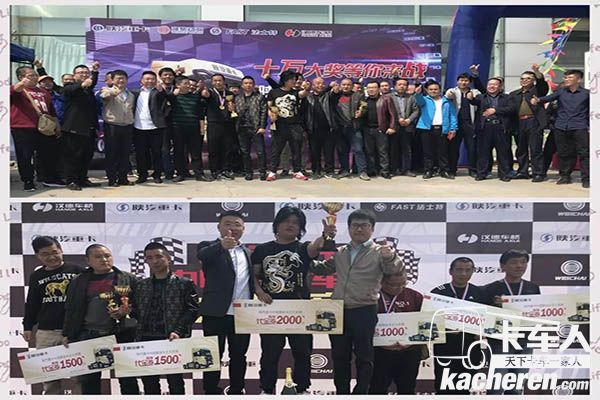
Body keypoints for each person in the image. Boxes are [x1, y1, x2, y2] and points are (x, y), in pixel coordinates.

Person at [310, 209, 404, 394]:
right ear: (349, 228)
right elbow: (321, 269)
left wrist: (390, 257)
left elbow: (394, 270)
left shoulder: (380, 252)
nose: (359, 229)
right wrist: (306, 255)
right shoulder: (341, 251)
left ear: (372, 229)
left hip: (365, 310)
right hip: (338, 311)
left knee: (364, 357)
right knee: (339, 357)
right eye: (355, 225)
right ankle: (342, 393)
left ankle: (361, 393)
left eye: (364, 225)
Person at [252, 206, 336, 394]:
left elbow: (315, 247)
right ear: (277, 224)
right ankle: (267, 390)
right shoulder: (262, 249)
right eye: (286, 221)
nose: (290, 225)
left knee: (303, 352)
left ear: (300, 228)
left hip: (300, 309)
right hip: (271, 309)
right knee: (270, 353)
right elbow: (255, 275)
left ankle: (302, 389)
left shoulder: (302, 248)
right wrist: (259, 291)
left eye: (295, 223)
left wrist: (325, 235)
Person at [62, 244, 139, 395]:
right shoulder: (78, 281)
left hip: (121, 335)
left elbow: (141, 305)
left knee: (128, 379)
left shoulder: (128, 278)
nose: (104, 259)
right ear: (88, 260)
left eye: (107, 256)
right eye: (98, 257)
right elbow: (71, 309)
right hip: (89, 335)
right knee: (89, 381)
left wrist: (127, 310)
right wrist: (68, 334)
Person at [197, 210, 254, 394]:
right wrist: (222, 245)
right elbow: (202, 256)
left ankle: (237, 390)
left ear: (243, 229)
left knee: (239, 355)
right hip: (215, 312)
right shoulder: (208, 246)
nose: (233, 228)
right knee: (212, 355)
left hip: (242, 314)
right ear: (219, 227)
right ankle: (210, 391)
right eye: (228, 224)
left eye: (237, 225)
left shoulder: (248, 253)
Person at [133, 242, 199, 395]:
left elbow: (192, 310)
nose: (154, 261)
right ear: (146, 261)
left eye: (158, 256)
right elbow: (135, 311)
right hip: (146, 339)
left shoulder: (184, 283)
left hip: (171, 339)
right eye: (150, 258)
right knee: (149, 384)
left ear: (168, 258)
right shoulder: (141, 285)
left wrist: (178, 331)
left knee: (175, 382)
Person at [23, 236, 84, 394]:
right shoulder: (36, 276)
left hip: (74, 332)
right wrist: (27, 326)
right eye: (45, 254)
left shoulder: (77, 270)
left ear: (61, 251)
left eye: (54, 252)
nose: (51, 257)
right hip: (46, 333)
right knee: (49, 379)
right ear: (38, 256)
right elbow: (32, 303)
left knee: (79, 378)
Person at [482, 250, 541, 395]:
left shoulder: (533, 287)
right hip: (500, 341)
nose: (519, 266)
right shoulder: (490, 288)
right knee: (497, 384)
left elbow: (537, 311)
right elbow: (483, 316)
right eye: (514, 262)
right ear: (503, 266)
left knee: (517, 384)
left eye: (523, 262)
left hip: (525, 340)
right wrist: (496, 306)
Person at [430, 257, 486, 395]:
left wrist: (482, 331)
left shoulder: (480, 293)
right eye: (459, 270)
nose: (463, 274)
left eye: (468, 270)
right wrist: (444, 329)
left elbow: (487, 320)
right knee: (443, 387)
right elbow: (428, 322)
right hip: (445, 349)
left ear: (473, 271)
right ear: (451, 271)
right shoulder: (438, 293)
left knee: (465, 387)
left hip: (471, 348)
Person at [531, 69, 589, 188]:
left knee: (584, 153)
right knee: (564, 153)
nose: (566, 79)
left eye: (570, 77)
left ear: (579, 79)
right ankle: (565, 176)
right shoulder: (561, 92)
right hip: (561, 127)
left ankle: (586, 178)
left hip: (579, 126)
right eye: (565, 77)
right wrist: (538, 100)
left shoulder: (587, 94)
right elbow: (548, 98)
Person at [368, 270, 424, 395]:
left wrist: (412, 342)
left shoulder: (415, 296)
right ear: (381, 282)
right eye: (393, 285)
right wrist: (379, 343)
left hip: (409, 352)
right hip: (379, 352)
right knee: (377, 388)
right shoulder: (370, 297)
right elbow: (363, 325)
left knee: (407, 389)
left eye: (403, 284)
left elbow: (426, 324)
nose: (399, 288)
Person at [10, 65, 60, 191]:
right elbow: (12, 93)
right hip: (23, 127)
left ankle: (48, 178)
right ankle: (28, 181)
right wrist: (21, 84)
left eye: (35, 75)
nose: (35, 77)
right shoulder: (17, 90)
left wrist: (56, 125)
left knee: (48, 154)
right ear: (20, 77)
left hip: (43, 128)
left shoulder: (43, 91)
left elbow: (51, 110)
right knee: (25, 156)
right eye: (31, 75)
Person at [62, 62, 102, 191]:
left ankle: (82, 179)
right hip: (74, 128)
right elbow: (68, 90)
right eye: (81, 73)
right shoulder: (69, 87)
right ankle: (71, 180)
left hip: (89, 129)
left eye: (86, 73)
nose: (84, 75)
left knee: (86, 156)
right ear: (74, 75)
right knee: (73, 156)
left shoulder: (88, 89)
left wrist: (95, 71)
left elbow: (92, 83)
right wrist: (82, 84)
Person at [265, 70, 310, 181]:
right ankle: (273, 171)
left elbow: (303, 94)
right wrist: (271, 115)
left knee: (296, 149)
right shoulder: (274, 92)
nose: (294, 81)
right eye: (292, 79)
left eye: (295, 79)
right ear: (285, 80)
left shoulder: (295, 92)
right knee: (277, 149)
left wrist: (306, 88)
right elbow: (269, 106)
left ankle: (297, 171)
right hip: (279, 125)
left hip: (294, 125)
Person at [467, 76, 514, 181]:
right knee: (483, 152)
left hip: (501, 127)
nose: (492, 86)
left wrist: (495, 110)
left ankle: (504, 174)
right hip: (485, 127)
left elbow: (511, 109)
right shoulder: (481, 97)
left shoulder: (507, 97)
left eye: (495, 84)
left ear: (500, 86)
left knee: (503, 152)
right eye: (490, 84)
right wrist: (470, 98)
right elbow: (474, 101)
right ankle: (482, 173)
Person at [507, 64, 549, 182]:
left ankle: (538, 173)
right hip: (519, 122)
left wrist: (537, 71)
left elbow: (542, 84)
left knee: (535, 148)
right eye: (522, 78)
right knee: (521, 148)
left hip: (534, 121)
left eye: (528, 78)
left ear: (533, 80)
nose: (524, 80)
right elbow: (510, 109)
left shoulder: (537, 91)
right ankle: (523, 171)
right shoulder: (514, 94)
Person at [167, 76, 209, 182]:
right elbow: (165, 98)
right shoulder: (173, 97)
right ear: (178, 85)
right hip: (177, 128)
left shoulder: (195, 97)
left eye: (189, 84)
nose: (189, 86)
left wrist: (201, 89)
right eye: (185, 83)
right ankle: (181, 173)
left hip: (193, 128)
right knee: (179, 152)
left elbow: (202, 108)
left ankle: (199, 174)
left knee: (196, 152)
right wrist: (173, 94)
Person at [414, 80, 458, 179]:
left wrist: (453, 128)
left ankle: (444, 171)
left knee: (443, 152)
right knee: (427, 152)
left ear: (439, 90)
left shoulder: (447, 101)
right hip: (427, 129)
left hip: (442, 129)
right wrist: (417, 94)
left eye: (435, 89)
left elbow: (453, 116)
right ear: (427, 90)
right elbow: (419, 101)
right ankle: (428, 170)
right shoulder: (425, 99)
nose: (433, 91)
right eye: (431, 89)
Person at [444, 65, 483, 177]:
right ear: (457, 81)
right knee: (453, 148)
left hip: (470, 124)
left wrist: (473, 98)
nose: (463, 82)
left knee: (472, 148)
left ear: (469, 82)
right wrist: (449, 95)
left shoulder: (475, 92)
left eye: (466, 81)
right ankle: (452, 170)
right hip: (455, 125)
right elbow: (447, 96)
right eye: (461, 80)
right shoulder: (452, 90)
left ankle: (473, 170)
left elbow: (481, 98)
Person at [99, 70, 135, 187]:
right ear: (113, 80)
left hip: (127, 126)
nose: (121, 80)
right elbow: (104, 97)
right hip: (112, 126)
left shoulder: (130, 94)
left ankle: (123, 178)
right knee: (112, 153)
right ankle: (112, 179)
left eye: (123, 78)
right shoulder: (106, 90)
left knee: (124, 153)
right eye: (118, 78)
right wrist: (113, 92)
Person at [133, 70, 168, 184]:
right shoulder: (135, 92)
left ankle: (157, 174)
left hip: (155, 127)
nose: (150, 81)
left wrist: (161, 90)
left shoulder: (158, 92)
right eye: (147, 79)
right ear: (141, 80)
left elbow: (164, 98)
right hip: (138, 127)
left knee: (157, 153)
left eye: (152, 79)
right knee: (140, 153)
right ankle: (142, 175)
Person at [356, 81, 397, 179]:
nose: (371, 90)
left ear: (378, 89)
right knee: (369, 151)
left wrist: (392, 127)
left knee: (383, 151)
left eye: (374, 87)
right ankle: (372, 170)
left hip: (381, 129)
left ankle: (384, 171)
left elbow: (393, 114)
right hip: (367, 129)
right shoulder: (364, 101)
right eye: (369, 88)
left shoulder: (386, 99)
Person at [201, 73, 237, 181]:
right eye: (215, 81)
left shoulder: (230, 94)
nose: (218, 82)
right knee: (213, 148)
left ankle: (225, 169)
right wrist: (203, 93)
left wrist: (233, 109)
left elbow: (235, 108)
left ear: (224, 81)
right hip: (214, 124)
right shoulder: (209, 93)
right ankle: (215, 171)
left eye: (220, 80)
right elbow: (204, 97)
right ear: (212, 82)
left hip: (228, 124)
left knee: (227, 148)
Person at [232, 76, 268, 181]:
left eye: (250, 83)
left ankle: (262, 172)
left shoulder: (260, 97)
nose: (248, 85)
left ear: (253, 85)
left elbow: (264, 112)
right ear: (242, 85)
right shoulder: (237, 98)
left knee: (260, 152)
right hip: (242, 128)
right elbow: (233, 113)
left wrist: (262, 126)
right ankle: (248, 172)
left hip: (256, 128)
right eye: (246, 83)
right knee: (245, 152)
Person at [304, 77, 341, 179]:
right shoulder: (308, 96)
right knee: (314, 152)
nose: (320, 85)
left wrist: (335, 91)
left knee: (329, 152)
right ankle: (316, 171)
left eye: (322, 83)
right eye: (317, 83)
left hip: (328, 129)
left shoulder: (328, 95)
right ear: (312, 85)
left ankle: (329, 171)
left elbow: (335, 96)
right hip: (313, 129)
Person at [333, 78, 369, 180]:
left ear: (352, 86)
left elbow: (364, 106)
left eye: (348, 85)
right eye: (344, 85)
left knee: (358, 149)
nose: (346, 87)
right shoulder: (336, 96)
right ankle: (345, 170)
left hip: (354, 126)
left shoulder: (358, 95)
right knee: (342, 150)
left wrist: (361, 112)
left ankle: (362, 171)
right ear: (340, 85)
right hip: (340, 127)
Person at [389, 77, 419, 177]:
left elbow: (416, 110)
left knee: (407, 149)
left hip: (407, 126)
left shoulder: (411, 97)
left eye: (404, 85)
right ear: (395, 86)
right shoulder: (389, 97)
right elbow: (387, 110)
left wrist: (409, 120)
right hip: (393, 127)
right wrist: (398, 119)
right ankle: (394, 169)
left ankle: (407, 169)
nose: (402, 86)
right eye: (399, 84)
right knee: (393, 149)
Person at [158, 67, 177, 180]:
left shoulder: (178, 88)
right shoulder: (157, 89)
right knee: (165, 149)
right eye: (165, 75)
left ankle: (181, 171)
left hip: (177, 122)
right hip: (163, 122)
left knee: (179, 148)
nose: (168, 77)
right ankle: (167, 172)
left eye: (170, 75)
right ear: (160, 77)